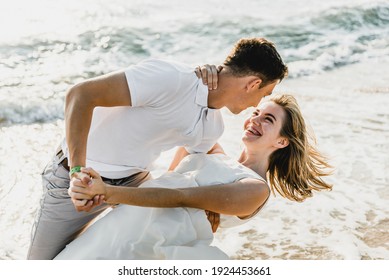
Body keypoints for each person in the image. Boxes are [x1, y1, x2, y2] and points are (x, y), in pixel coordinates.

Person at [27, 37, 288, 260]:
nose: (259, 101)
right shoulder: (171, 78)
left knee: (121, 256)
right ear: (253, 83)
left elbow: (189, 168)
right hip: (74, 177)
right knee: (41, 267)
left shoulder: (213, 127)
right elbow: (80, 94)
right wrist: (78, 172)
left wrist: (204, 208)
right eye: (264, 94)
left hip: (134, 182)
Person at [54, 94, 333, 260]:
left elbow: (179, 197)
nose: (254, 121)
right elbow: (171, 179)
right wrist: (208, 74)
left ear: (282, 142)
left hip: (145, 244)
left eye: (268, 120)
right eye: (256, 112)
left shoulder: (256, 189)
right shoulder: (213, 148)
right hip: (126, 220)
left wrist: (110, 193)